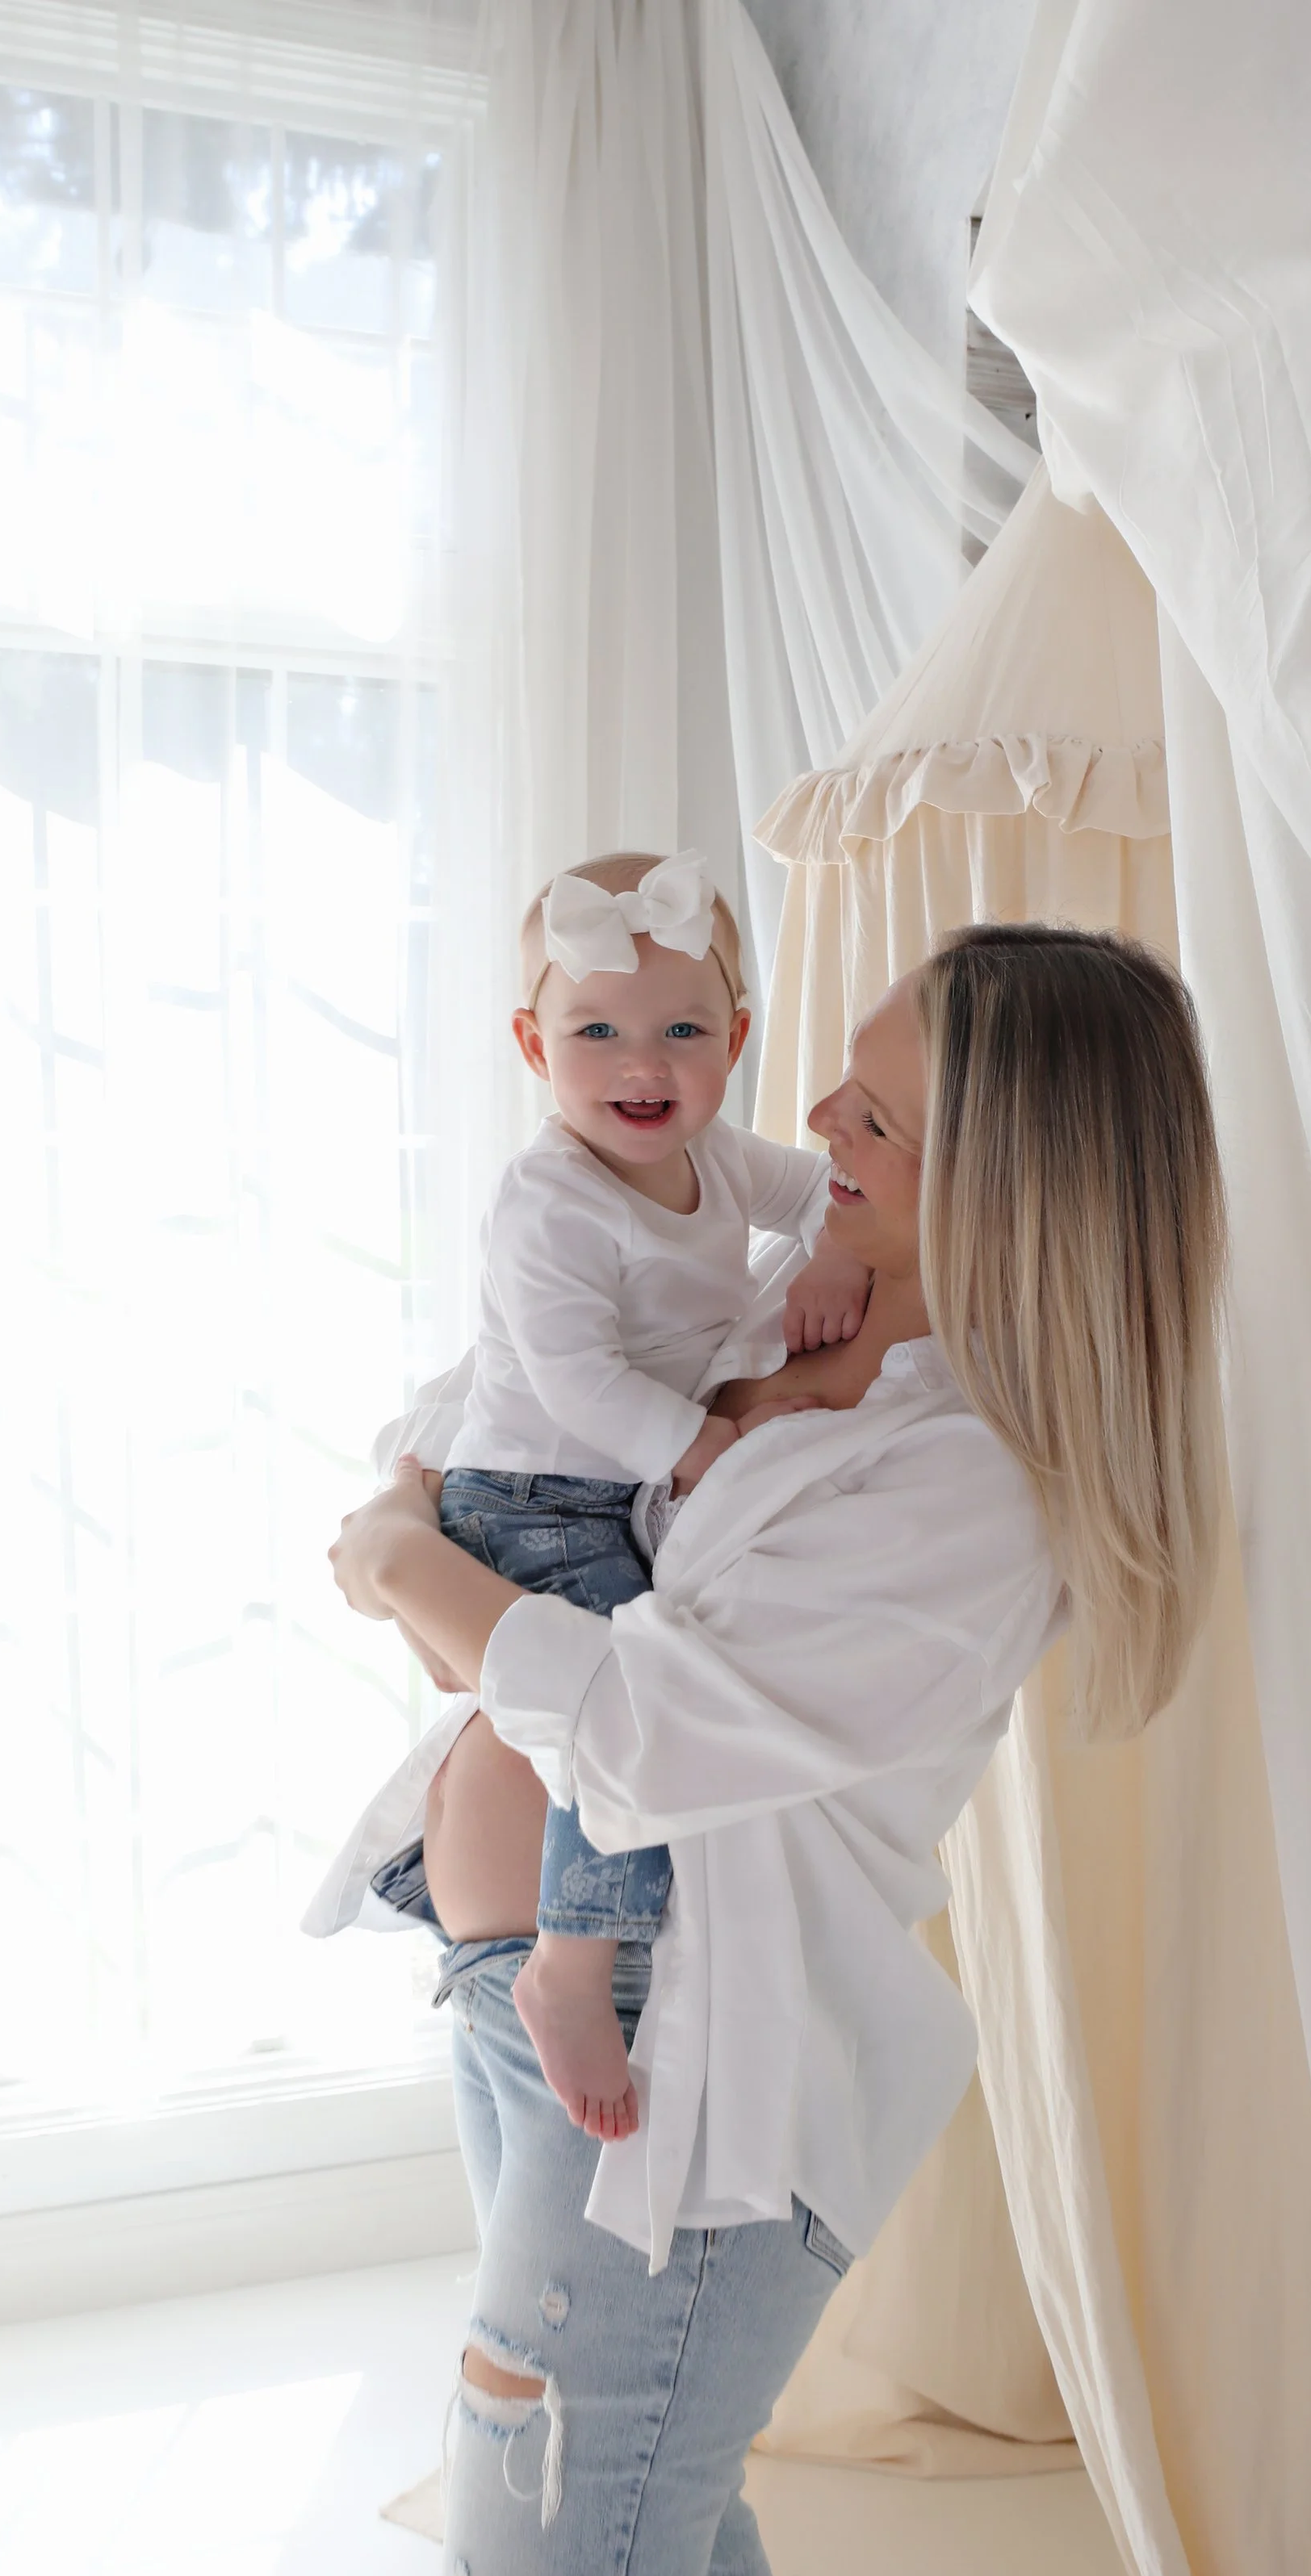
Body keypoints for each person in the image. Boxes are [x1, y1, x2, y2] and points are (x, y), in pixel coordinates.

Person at [319, 923, 1226, 2576]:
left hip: (682, 2089)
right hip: (518, 1999)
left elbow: (641, 1725)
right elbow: (498, 1382)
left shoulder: (968, 1476)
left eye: (879, 1113)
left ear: (1003, 1179)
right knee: (667, 2519)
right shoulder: (803, 1314)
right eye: (840, 1076)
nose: (811, 1116)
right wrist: (437, 1489)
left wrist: (411, 1569)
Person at [421, 847, 869, 2144]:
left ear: (735, 1040)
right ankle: (571, 1962)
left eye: (681, 1031)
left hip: (613, 1491)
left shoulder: (720, 1159)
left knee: (654, 1689)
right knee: (631, 1712)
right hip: (529, 1495)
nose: (643, 1065)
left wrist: (830, 1256)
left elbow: (828, 1196)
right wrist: (695, 1444)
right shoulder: (548, 1201)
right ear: (531, 1043)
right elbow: (574, 1378)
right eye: (597, 1032)